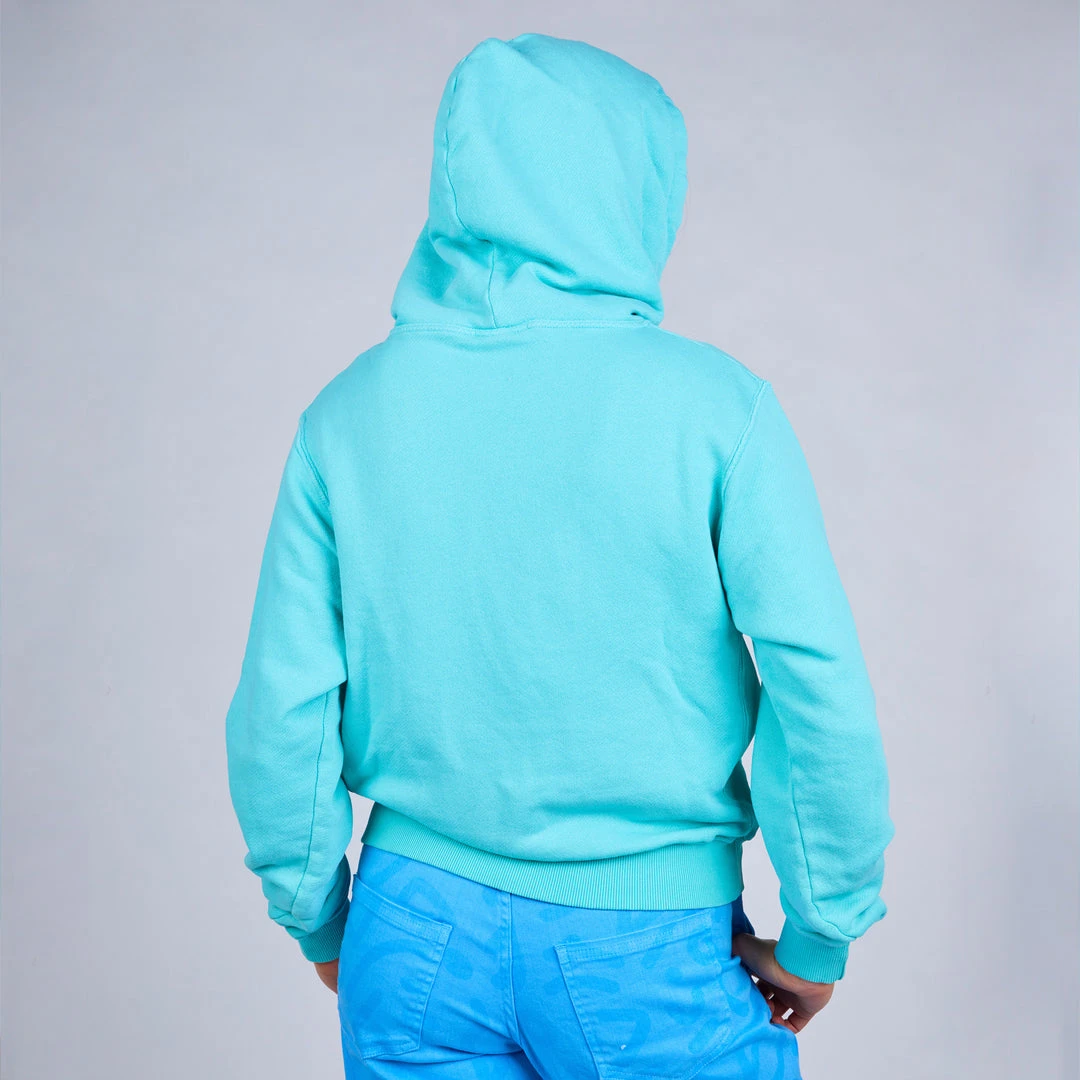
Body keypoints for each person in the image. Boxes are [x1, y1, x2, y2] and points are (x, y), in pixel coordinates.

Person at [225, 31, 894, 1079]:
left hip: (411, 931)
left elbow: (282, 705)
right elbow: (816, 686)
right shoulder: (717, 411)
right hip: (648, 941)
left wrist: (318, 917)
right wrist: (822, 931)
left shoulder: (346, 415)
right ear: (639, 191)